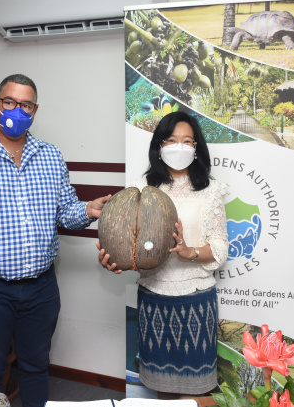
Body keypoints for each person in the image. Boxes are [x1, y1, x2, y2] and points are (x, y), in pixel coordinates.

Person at [0, 73, 111, 407]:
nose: (16, 110)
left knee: (35, 366)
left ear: (35, 110)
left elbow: (63, 213)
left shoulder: (50, 156)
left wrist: (88, 209)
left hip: (41, 288)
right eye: (9, 102)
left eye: (25, 104)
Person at [98, 111, 228, 397]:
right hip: (153, 300)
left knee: (196, 395)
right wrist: (115, 258)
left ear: (197, 148)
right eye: (171, 140)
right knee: (162, 393)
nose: (179, 146)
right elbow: (127, 242)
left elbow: (220, 248)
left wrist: (188, 251)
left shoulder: (210, 190)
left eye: (187, 141)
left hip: (196, 301)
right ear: (159, 146)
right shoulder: (140, 188)